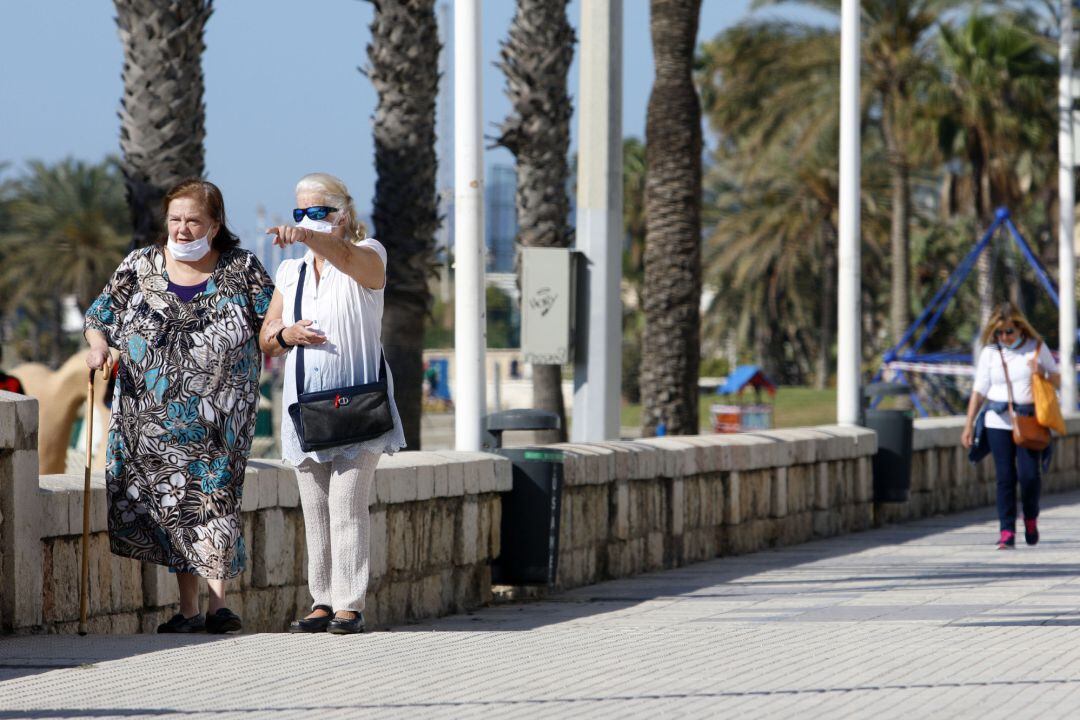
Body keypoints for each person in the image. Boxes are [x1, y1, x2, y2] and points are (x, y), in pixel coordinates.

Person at [84, 179, 274, 633]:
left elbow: (273, 320)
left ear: (215, 223)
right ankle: (188, 610)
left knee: (214, 501)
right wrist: (98, 349)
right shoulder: (140, 265)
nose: (183, 229)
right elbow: (99, 317)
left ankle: (217, 605)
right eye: (175, 219)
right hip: (151, 421)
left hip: (220, 418)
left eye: (194, 220)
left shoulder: (241, 267)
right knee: (174, 508)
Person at [260, 173, 405, 635]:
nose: (306, 222)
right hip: (307, 409)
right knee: (316, 512)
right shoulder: (291, 272)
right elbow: (267, 335)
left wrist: (305, 236)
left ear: (342, 215)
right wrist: (287, 335)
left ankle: (349, 603)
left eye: (317, 212)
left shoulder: (370, 254)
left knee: (346, 505)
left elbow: (345, 256)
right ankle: (321, 599)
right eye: (299, 213)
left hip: (360, 405)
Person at [961, 302, 1060, 550]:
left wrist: (1041, 373)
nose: (1004, 337)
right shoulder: (990, 353)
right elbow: (979, 390)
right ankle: (1006, 530)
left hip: (1028, 421)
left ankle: (1030, 518)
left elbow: (1057, 378)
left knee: (1028, 476)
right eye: (999, 333)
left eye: (1009, 332)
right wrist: (969, 423)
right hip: (996, 421)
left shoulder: (1035, 348)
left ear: (1020, 328)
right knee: (1004, 478)